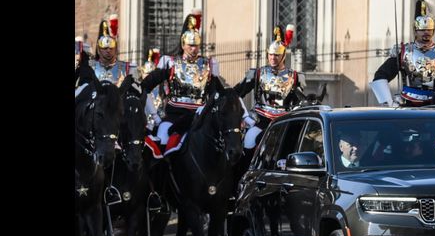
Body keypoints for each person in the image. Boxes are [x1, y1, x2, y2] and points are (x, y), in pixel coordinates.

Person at [141, 10, 219, 156]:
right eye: (190, 45)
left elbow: (216, 93)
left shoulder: (208, 64)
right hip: (174, 117)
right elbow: (145, 86)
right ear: (183, 44)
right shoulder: (170, 63)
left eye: (196, 45)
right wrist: (154, 115)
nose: (193, 48)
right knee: (163, 141)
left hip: (200, 117)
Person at [370, 0, 435, 107]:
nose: (426, 32)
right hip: (408, 103)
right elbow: (381, 75)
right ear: (415, 30)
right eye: (422, 29)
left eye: (429, 29)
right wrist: (388, 102)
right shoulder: (404, 52)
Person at [234, 24, 306, 153]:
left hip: (284, 121)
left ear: (283, 56)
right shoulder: (258, 73)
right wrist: (245, 117)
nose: (273, 58)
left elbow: (300, 102)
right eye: (271, 54)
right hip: (261, 120)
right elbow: (236, 94)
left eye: (276, 55)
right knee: (249, 141)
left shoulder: (294, 76)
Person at [91, 14, 134, 86]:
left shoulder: (126, 67)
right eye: (104, 48)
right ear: (99, 50)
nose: (108, 51)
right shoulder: (90, 67)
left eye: (111, 48)